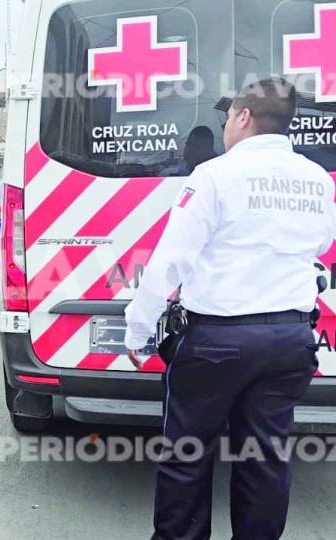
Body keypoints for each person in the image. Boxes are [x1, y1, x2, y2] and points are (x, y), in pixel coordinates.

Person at [125, 78, 336, 540]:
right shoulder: (317, 180)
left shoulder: (215, 175)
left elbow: (170, 261)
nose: (223, 128)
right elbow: (320, 244)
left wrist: (138, 329)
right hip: (289, 341)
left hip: (216, 343)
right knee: (265, 458)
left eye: (227, 117)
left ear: (243, 116)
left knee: (187, 456)